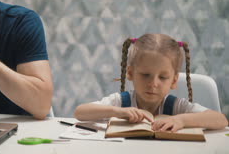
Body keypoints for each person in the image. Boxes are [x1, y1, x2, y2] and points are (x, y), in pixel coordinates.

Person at [74, 33, 228, 131]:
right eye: (145, 75)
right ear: (130, 73)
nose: (153, 83)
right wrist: (117, 112)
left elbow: (220, 119)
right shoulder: (121, 102)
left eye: (162, 77)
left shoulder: (176, 106)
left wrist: (181, 120)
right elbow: (80, 112)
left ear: (174, 81)